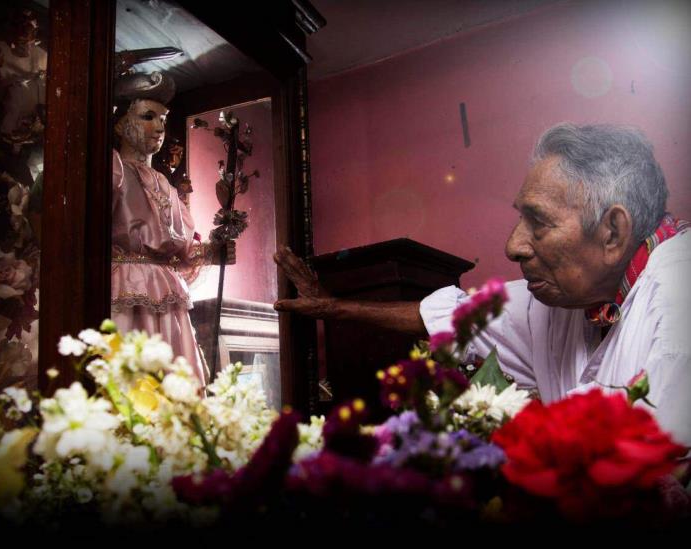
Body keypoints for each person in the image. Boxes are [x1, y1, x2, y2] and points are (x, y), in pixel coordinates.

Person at [274, 123, 691, 446]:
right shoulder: (567, 297)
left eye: (539, 222)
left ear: (613, 232)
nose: (513, 246)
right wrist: (334, 308)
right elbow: (453, 318)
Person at [111, 71, 234, 386]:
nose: (159, 127)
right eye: (148, 117)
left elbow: (179, 252)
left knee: (174, 383)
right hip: (127, 288)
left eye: (163, 118)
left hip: (166, 293)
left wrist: (212, 251)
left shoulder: (164, 182)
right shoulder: (113, 168)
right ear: (121, 123)